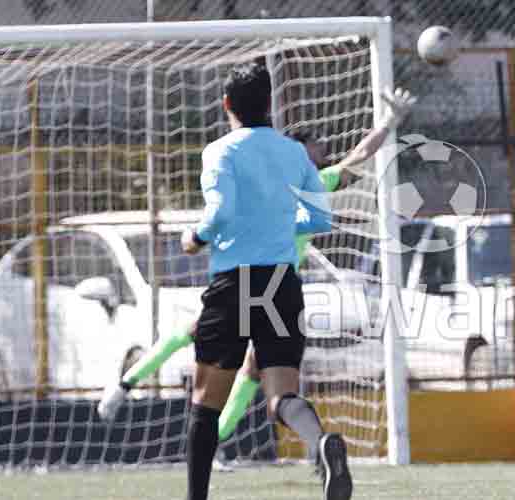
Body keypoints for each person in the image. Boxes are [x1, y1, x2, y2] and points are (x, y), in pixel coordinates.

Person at [97, 89, 416, 449]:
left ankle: (197, 434)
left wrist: (389, 124)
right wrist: (390, 122)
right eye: (315, 145)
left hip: (263, 283)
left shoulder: (306, 183)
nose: (323, 150)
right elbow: (356, 158)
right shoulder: (294, 182)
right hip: (265, 282)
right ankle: (128, 389)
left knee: (239, 360)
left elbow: (358, 158)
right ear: (298, 149)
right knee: (212, 344)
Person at [177, 61, 349, 500]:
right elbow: (319, 217)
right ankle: (321, 443)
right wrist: (277, 222)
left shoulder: (220, 152)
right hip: (279, 283)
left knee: (206, 401)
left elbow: (221, 214)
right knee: (282, 397)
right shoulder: (294, 153)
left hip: (234, 284)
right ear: (270, 103)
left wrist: (194, 237)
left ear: (226, 104)